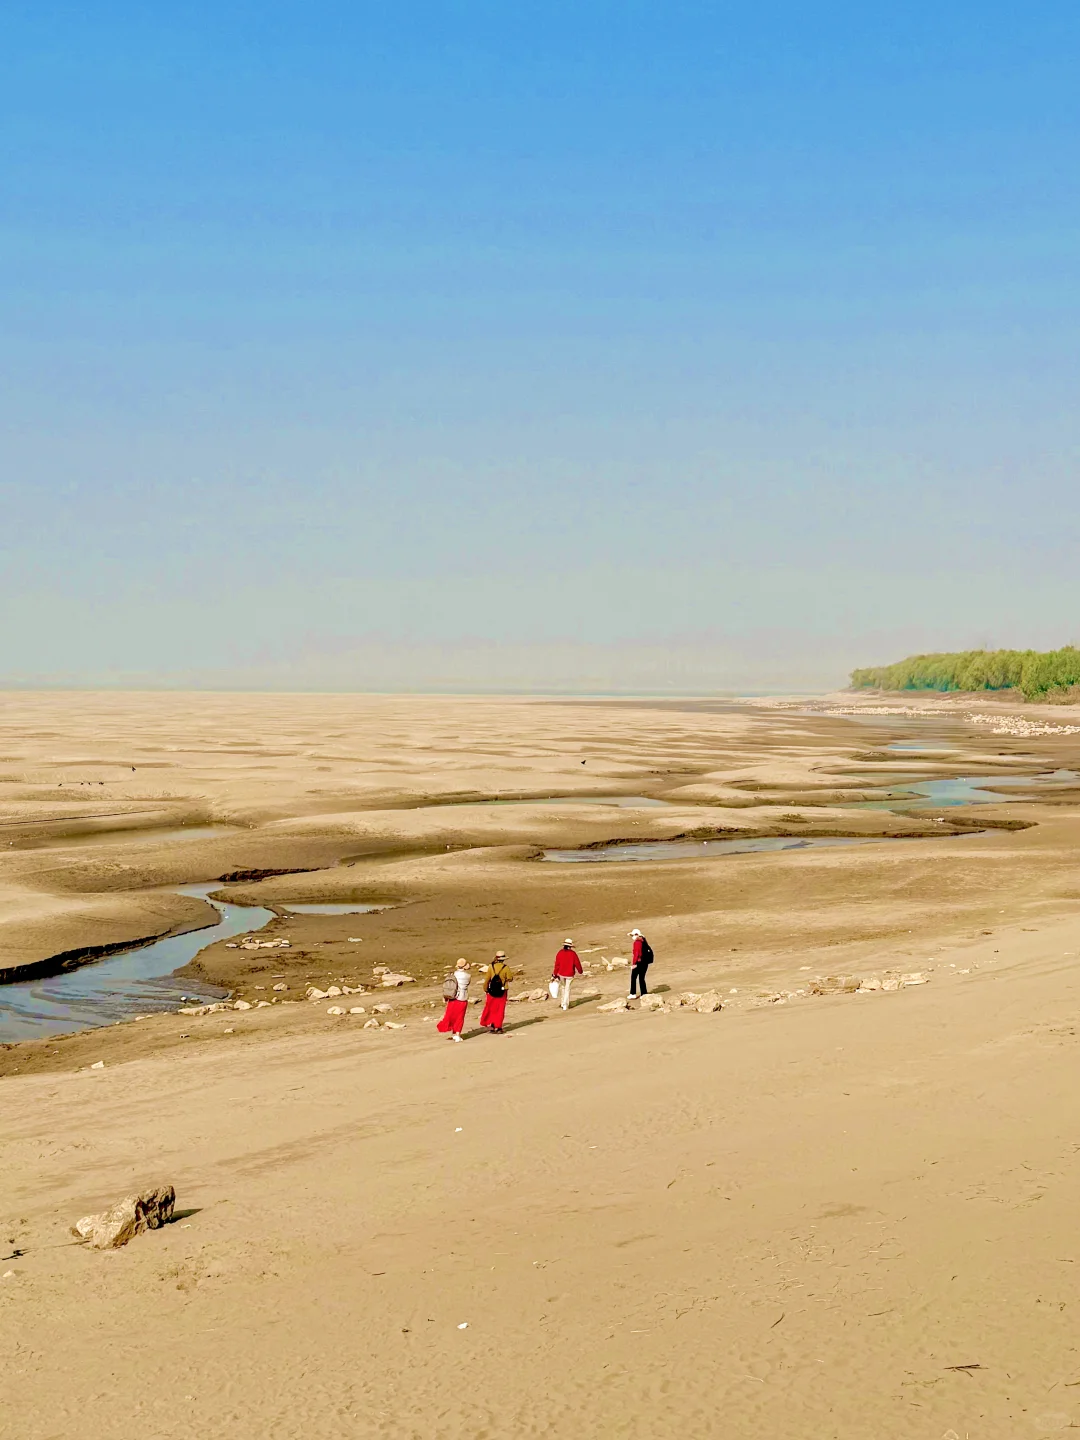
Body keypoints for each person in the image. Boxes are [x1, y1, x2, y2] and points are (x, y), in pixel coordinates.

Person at [437, 959, 471, 1042]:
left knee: (451, 1015)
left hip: (452, 997)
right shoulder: (468, 976)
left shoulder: (453, 974)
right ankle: (457, 1034)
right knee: (460, 1017)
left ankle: (453, 1033)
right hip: (462, 999)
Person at [480, 951, 513, 1034]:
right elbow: (510, 978)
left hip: (492, 990)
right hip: (502, 990)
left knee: (491, 1007)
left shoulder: (491, 967)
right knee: (500, 1009)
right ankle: (498, 1027)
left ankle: (492, 1025)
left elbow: (487, 979)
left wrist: (485, 988)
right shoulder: (506, 968)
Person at [552, 938, 582, 1011]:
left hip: (561, 974)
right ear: (570, 946)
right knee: (567, 989)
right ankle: (565, 1004)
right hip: (569, 974)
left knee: (563, 988)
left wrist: (554, 974)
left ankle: (562, 1003)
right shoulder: (573, 954)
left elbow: (557, 965)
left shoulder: (560, 953)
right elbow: (577, 963)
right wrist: (580, 971)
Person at [628, 928, 654, 999]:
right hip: (645, 962)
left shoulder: (637, 943)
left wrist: (634, 964)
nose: (632, 937)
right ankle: (644, 993)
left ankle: (633, 993)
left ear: (636, 935)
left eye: (632, 935)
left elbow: (636, 954)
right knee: (641, 978)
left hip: (639, 962)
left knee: (633, 977)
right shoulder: (643, 941)